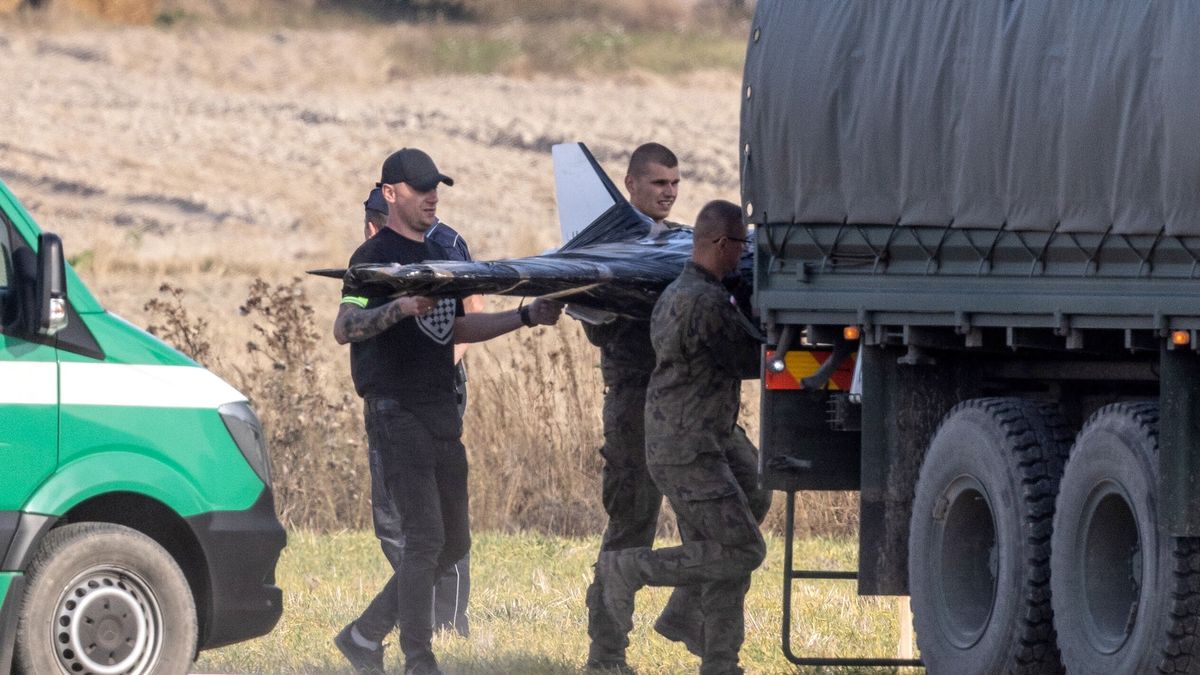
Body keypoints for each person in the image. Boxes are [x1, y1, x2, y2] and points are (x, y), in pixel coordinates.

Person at [333, 147, 563, 675]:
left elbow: (456, 329)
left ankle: (364, 635)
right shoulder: (372, 260)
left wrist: (525, 315)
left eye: (436, 186)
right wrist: (397, 307)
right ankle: (420, 658)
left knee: (453, 539)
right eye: (420, 188)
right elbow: (345, 328)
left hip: (440, 408)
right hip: (395, 410)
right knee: (425, 538)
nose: (432, 196)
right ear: (391, 194)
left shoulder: (444, 254)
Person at [597, 199, 772, 675]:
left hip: (706, 436)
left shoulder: (679, 291)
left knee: (746, 508)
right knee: (742, 548)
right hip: (688, 446)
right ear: (720, 244)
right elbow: (749, 359)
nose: (743, 254)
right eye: (740, 245)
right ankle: (633, 569)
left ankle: (710, 646)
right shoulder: (706, 302)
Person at [581, 142, 691, 673]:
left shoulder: (682, 244)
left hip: (690, 404)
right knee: (632, 524)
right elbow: (588, 314)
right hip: (634, 405)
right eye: (658, 184)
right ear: (630, 184)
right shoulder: (612, 250)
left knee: (741, 503)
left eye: (674, 184)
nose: (669, 193)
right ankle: (605, 653)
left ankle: (687, 612)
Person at [361, 187, 477, 638]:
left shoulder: (445, 246)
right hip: (393, 396)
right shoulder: (374, 257)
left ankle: (445, 620)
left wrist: (429, 370)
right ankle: (408, 620)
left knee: (439, 523)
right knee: (399, 520)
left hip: (433, 395)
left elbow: (472, 313)